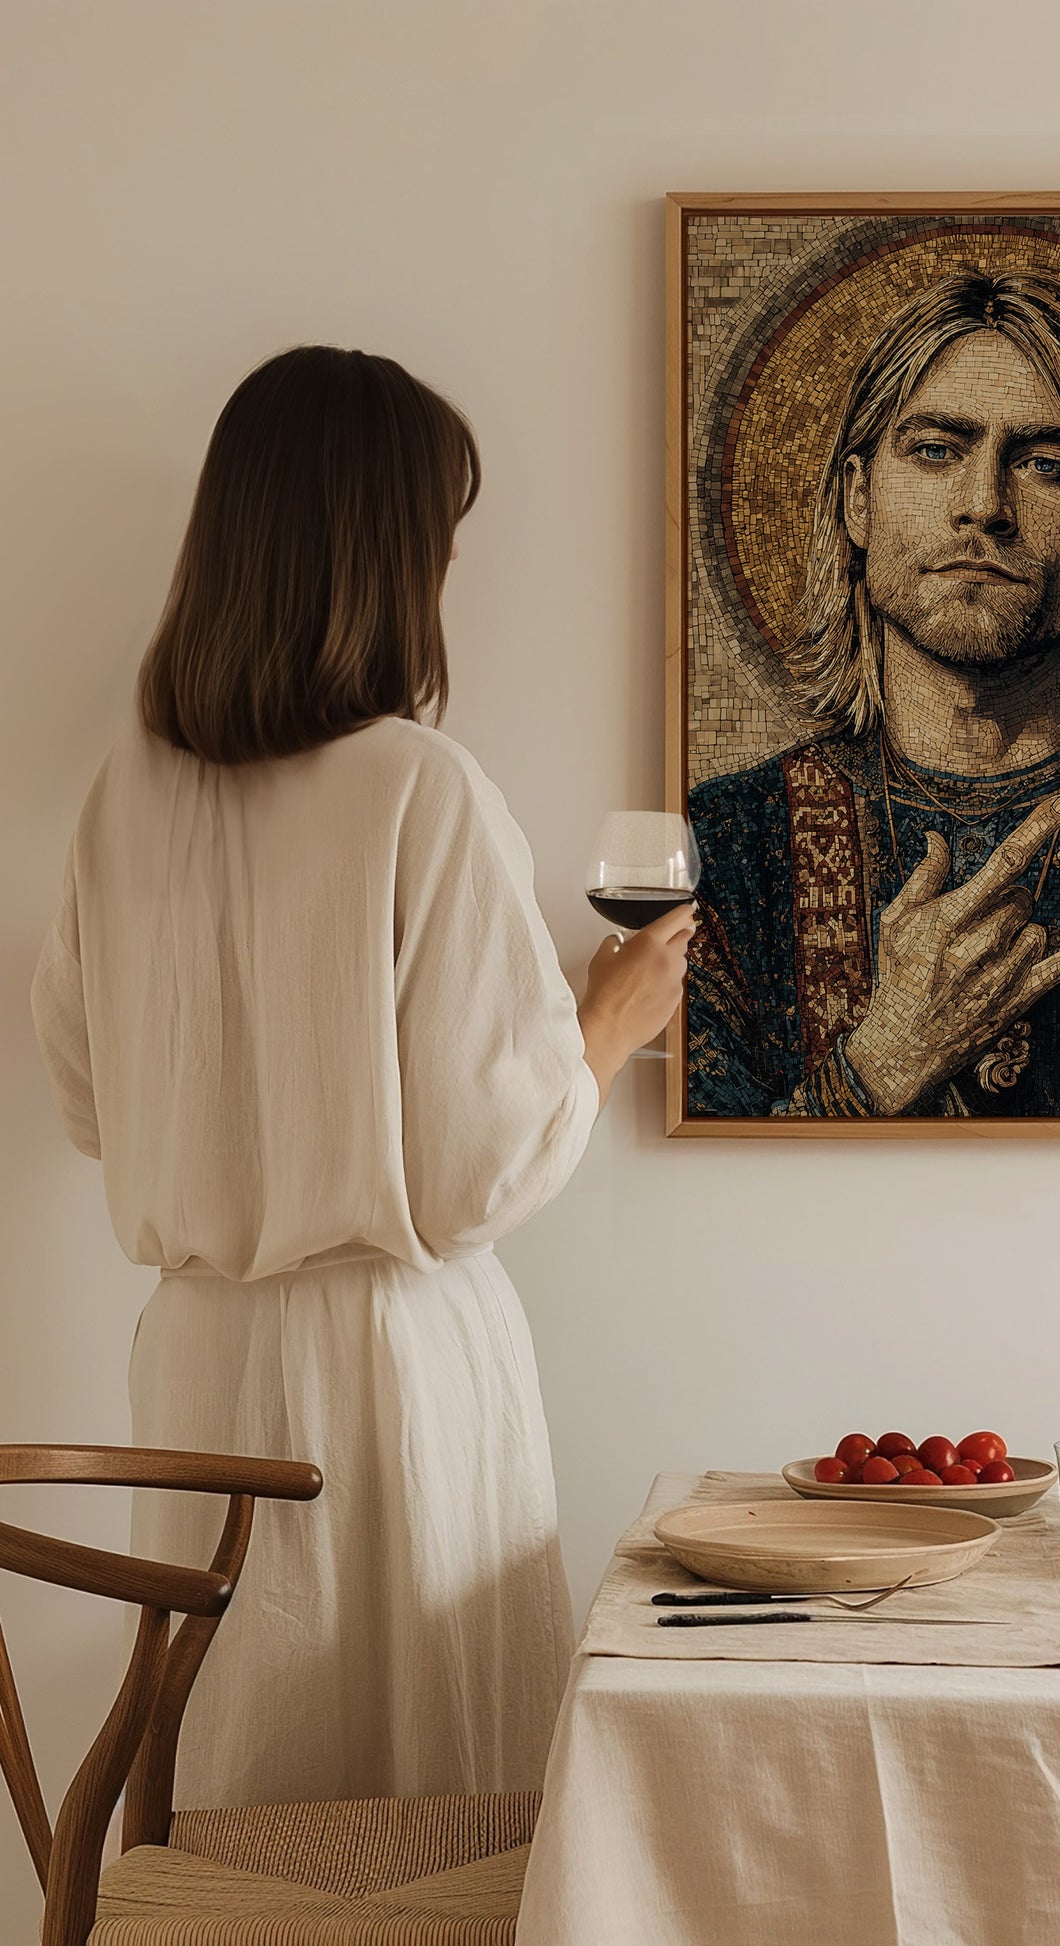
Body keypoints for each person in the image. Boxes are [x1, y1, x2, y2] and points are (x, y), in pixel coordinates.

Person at [30, 346, 694, 1806]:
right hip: (391, 1371)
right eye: (437, 545)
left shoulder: (123, 796)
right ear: (386, 556)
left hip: (197, 1363)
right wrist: (607, 1021)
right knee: (423, 1811)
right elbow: (475, 1174)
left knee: (240, 1791)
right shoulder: (418, 785)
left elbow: (87, 1101)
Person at [686, 272, 1060, 1119]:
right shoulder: (720, 851)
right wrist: (883, 1061)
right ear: (859, 500)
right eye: (936, 450)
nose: (984, 507)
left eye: (1046, 465)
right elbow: (689, 1218)